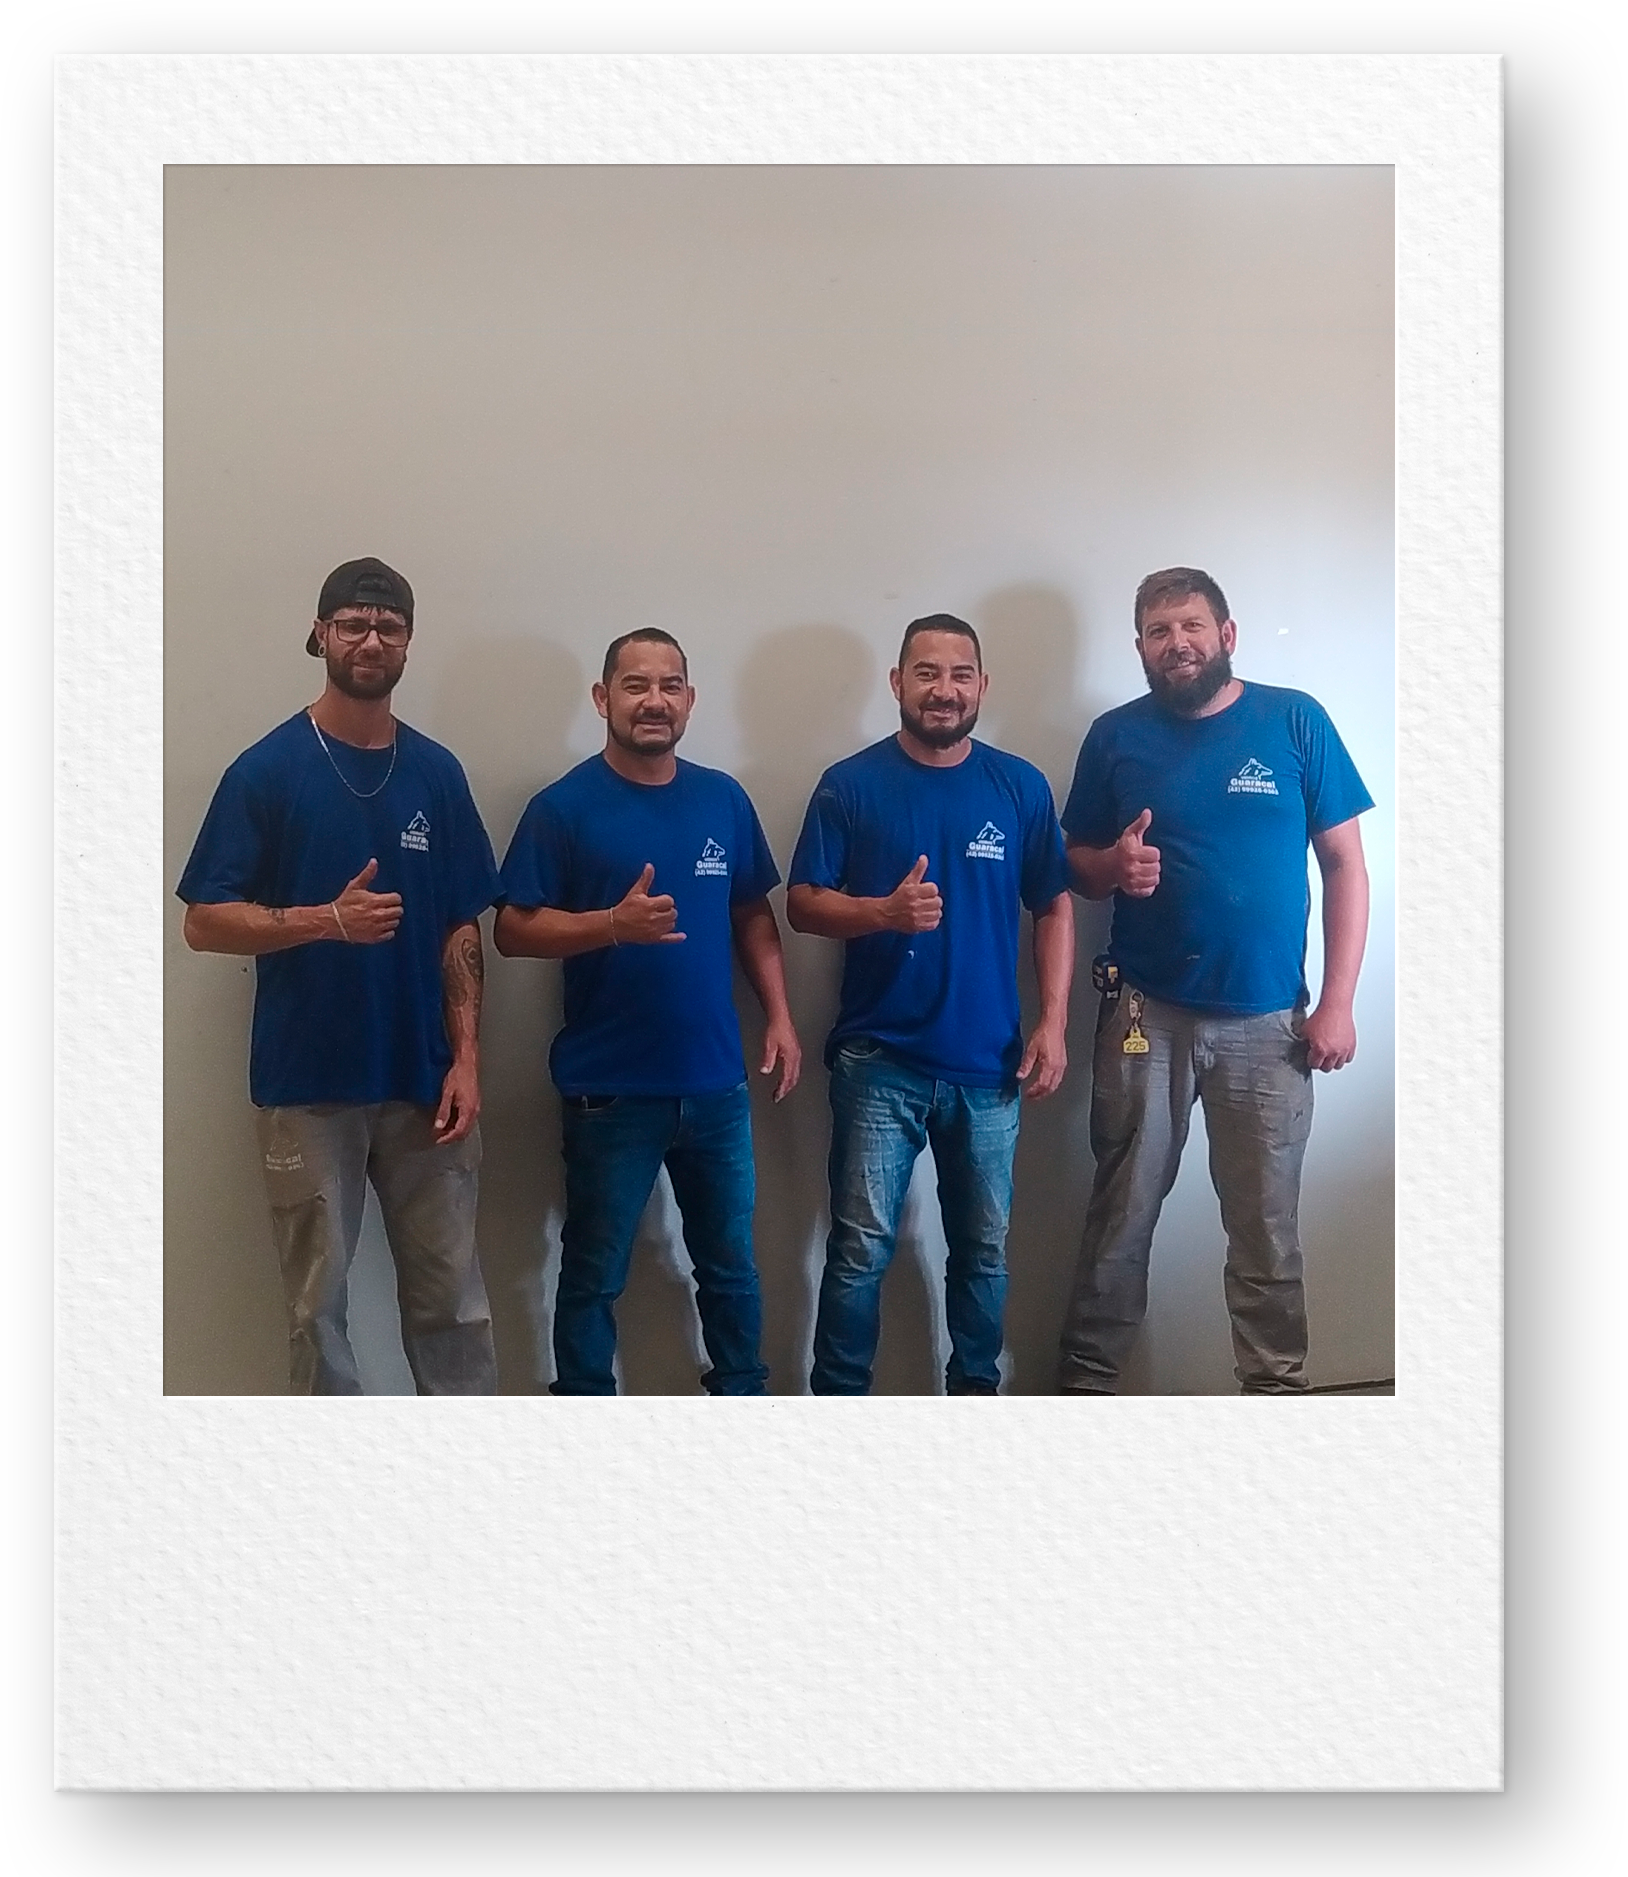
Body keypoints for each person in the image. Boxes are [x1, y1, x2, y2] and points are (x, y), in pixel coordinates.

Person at [177, 557, 503, 1395]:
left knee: (454, 1306)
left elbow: (461, 925)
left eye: (388, 627)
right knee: (317, 1311)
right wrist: (325, 919)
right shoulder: (267, 771)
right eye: (353, 624)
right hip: (308, 1085)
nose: (370, 640)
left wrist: (467, 1059)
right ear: (320, 634)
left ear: (409, 643)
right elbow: (204, 920)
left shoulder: (437, 773)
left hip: (425, 1083)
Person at [1057, 566, 1374, 1395]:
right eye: (1158, 632)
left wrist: (1338, 1002)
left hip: (1270, 1027)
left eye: (1191, 625)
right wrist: (1113, 866)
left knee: (1266, 1229)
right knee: (1120, 1218)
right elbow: (1075, 864)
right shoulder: (1114, 737)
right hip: (1143, 1014)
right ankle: (1086, 1393)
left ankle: (1273, 1394)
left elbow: (1345, 864)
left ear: (1226, 635)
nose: (1178, 643)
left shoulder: (1295, 721)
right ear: (1139, 648)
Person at [495, 628, 800, 1396]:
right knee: (594, 1273)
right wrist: (609, 925)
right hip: (609, 1092)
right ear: (604, 699)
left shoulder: (723, 800)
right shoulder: (562, 808)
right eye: (636, 685)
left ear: (690, 700)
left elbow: (752, 914)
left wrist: (781, 1017)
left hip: (716, 1086)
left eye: (669, 686)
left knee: (730, 1268)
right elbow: (512, 929)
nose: (654, 701)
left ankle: (742, 1400)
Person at [786, 614, 1074, 1396]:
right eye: (926, 673)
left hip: (990, 1067)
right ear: (897, 683)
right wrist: (881, 912)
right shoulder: (850, 784)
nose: (943, 690)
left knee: (983, 1255)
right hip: (879, 1063)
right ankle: (839, 1407)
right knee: (859, 1252)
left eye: (959, 675)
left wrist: (1053, 1022)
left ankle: (974, 1402)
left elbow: (1053, 903)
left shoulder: (1019, 786)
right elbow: (803, 903)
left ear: (982, 686)